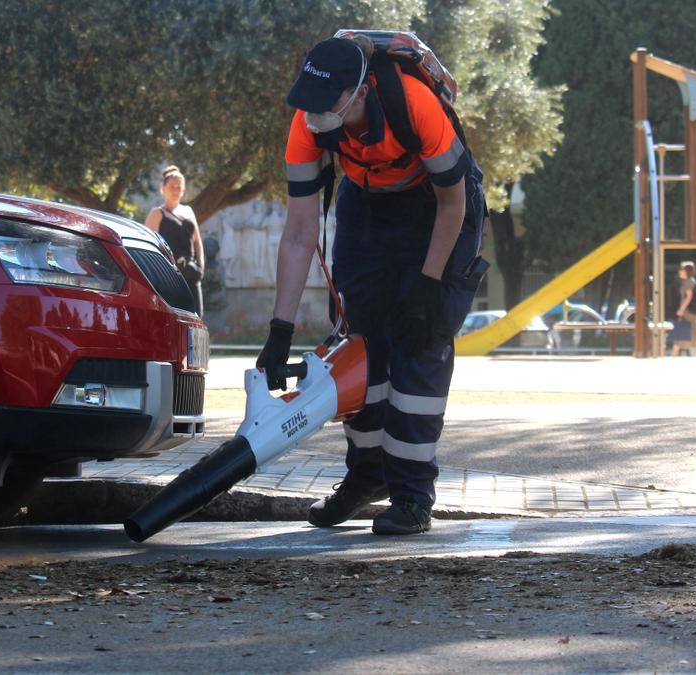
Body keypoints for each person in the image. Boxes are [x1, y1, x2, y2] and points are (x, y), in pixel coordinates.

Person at [256, 36, 488, 535]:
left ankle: (411, 495)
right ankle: (367, 477)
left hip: (437, 209)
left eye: (326, 106)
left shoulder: (415, 103)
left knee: (418, 342)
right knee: (360, 346)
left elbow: (454, 204)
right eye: (309, 105)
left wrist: (429, 284)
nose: (314, 116)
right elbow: (299, 233)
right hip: (367, 207)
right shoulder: (308, 120)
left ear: (359, 93)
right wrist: (280, 329)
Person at [144, 166, 204, 316]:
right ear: (163, 188)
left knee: (197, 316)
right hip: (169, 275)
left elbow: (197, 241)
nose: (176, 190)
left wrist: (200, 267)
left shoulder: (188, 211)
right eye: (172, 186)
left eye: (180, 187)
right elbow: (146, 246)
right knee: (172, 317)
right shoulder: (156, 213)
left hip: (191, 273)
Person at [671, 260, 696, 357]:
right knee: (692, 332)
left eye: (682, 269)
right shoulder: (689, 281)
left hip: (688, 312)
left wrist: (681, 309)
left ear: (687, 271)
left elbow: (689, 296)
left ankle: (674, 354)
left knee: (686, 331)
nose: (680, 271)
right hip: (689, 312)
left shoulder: (688, 282)